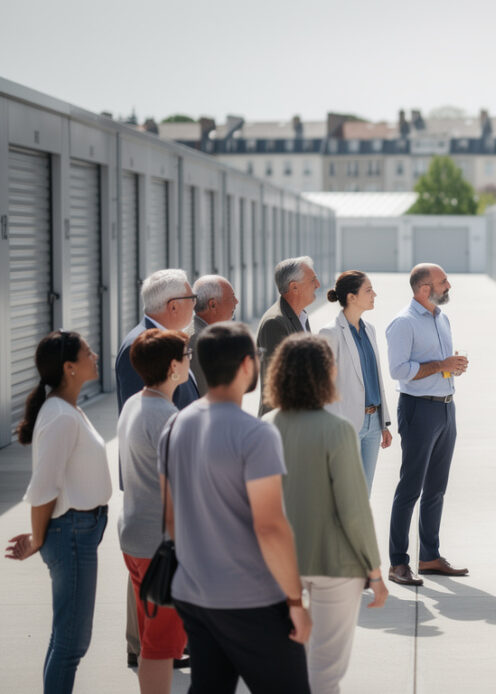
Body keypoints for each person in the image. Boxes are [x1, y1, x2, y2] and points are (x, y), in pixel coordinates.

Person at [160, 322, 312, 693]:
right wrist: (295, 600)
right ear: (248, 364)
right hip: (250, 599)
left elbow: (170, 518)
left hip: (194, 594)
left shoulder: (175, 425)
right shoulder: (255, 434)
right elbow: (270, 527)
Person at [262, 334, 389, 694]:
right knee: (325, 672)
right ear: (324, 375)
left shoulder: (265, 428)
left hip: (278, 567)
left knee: (285, 666)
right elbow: (354, 509)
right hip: (336, 566)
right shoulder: (337, 431)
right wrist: (375, 572)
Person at [5, 331, 112, 693]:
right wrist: (37, 538)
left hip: (80, 530)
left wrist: (39, 536)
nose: (94, 355)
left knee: (66, 639)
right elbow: (43, 489)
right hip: (71, 534)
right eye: (87, 353)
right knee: (71, 643)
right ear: (69, 367)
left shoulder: (66, 409)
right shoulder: (61, 417)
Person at [114, 268, 198, 668]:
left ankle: (149, 648)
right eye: (186, 357)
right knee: (155, 644)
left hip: (141, 526)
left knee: (155, 639)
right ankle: (145, 648)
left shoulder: (146, 397)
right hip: (157, 525)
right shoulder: (145, 353)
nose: (189, 360)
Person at [384, 263, 469, 586]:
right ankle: (397, 563)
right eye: (442, 281)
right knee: (410, 488)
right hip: (419, 409)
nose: (448, 285)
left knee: (436, 489)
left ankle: (429, 556)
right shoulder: (403, 323)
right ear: (424, 288)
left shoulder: (440, 317)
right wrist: (441, 365)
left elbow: (438, 366)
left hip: (446, 408)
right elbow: (399, 370)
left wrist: (451, 367)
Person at [318, 271, 392, 492]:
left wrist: (384, 422)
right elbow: (322, 387)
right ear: (351, 297)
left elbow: (375, 378)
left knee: (364, 492)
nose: (374, 294)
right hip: (345, 425)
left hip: (373, 424)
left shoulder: (370, 330)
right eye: (368, 290)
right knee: (344, 494)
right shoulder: (330, 333)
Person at [116, 269, 200, 412]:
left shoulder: (166, 340)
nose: (194, 305)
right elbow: (143, 416)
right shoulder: (141, 346)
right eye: (192, 298)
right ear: (173, 306)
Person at [257, 256, 320, 416]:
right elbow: (278, 382)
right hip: (284, 423)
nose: (318, 285)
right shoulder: (275, 323)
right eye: (313, 280)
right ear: (294, 287)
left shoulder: (301, 317)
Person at [187, 274, 239, 389]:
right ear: (213, 305)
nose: (236, 301)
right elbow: (207, 393)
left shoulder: (201, 333)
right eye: (232, 297)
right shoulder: (201, 341)